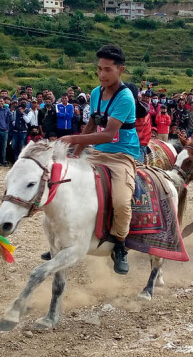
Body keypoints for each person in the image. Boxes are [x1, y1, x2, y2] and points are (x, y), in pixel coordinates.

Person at [59, 45, 142, 274]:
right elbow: (91, 125)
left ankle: (120, 245)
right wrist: (76, 153)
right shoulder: (96, 93)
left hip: (121, 156)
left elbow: (108, 134)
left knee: (121, 202)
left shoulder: (125, 97)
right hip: (96, 153)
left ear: (120, 70)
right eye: (99, 69)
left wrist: (72, 138)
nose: (102, 74)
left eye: (107, 69)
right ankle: (69, 239)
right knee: (67, 187)